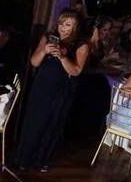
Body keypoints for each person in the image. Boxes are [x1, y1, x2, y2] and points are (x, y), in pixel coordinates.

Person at [14, 11, 90, 172]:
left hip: (61, 90)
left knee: (52, 124)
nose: (63, 28)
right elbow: (34, 62)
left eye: (68, 24)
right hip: (42, 85)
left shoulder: (81, 44)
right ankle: (23, 159)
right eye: (61, 23)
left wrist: (63, 57)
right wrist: (44, 51)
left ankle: (41, 160)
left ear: (75, 27)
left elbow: (76, 70)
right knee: (34, 121)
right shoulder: (48, 37)